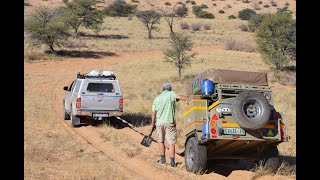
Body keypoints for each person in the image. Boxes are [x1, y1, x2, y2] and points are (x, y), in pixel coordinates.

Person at [151, 82, 188, 168]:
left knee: (161, 141)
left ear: (163, 89)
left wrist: (153, 124)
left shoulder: (157, 98)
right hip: (170, 123)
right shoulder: (171, 94)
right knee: (171, 142)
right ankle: (172, 162)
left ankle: (163, 160)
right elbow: (180, 97)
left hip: (159, 123)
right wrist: (188, 98)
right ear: (170, 89)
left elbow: (153, 113)